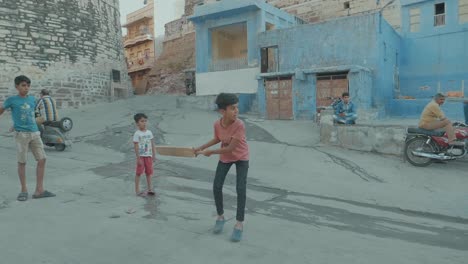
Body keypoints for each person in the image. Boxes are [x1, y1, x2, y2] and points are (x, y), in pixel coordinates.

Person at [194, 93, 250, 242]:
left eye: (237, 108)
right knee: (217, 186)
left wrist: (210, 152)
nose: (236, 111)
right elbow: (217, 138)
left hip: (241, 158)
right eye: (233, 108)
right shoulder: (217, 124)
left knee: (240, 188)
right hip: (225, 158)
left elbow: (230, 148)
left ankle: (239, 223)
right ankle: (220, 216)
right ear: (222, 111)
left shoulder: (239, 124)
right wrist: (200, 147)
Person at [0, 75, 56, 201]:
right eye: (23, 85)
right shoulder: (12, 100)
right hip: (21, 136)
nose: (26, 88)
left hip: (35, 133)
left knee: (42, 159)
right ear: (17, 86)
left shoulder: (32, 99)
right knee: (22, 162)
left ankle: (39, 190)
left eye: (28, 85)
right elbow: (2, 110)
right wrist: (15, 124)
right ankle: (24, 190)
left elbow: (31, 114)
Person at [133, 113, 156, 196]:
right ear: (137, 123)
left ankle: (150, 189)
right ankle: (137, 190)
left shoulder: (149, 132)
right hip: (141, 156)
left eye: (145, 121)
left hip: (148, 156)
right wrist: (138, 158)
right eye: (142, 121)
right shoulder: (137, 134)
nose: (144, 123)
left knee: (149, 173)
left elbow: (152, 144)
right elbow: (136, 147)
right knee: (138, 173)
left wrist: (154, 155)